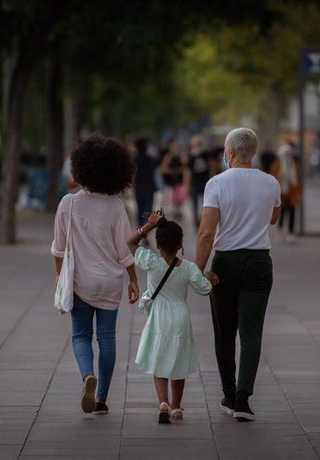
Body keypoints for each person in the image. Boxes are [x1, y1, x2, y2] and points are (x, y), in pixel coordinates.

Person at [195, 127, 281, 422]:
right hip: (259, 262)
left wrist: (198, 269)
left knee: (225, 332)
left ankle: (229, 394)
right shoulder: (271, 183)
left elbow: (207, 233)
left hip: (226, 263)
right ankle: (244, 399)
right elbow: (273, 217)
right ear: (253, 152)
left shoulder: (216, 183)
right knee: (251, 331)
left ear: (230, 152)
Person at [51, 134, 140, 415]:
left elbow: (58, 249)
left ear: (81, 168)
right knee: (108, 339)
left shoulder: (69, 204)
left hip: (79, 281)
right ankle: (101, 398)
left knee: (80, 336)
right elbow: (125, 250)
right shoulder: (115, 207)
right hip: (110, 282)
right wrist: (134, 280)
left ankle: (88, 375)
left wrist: (59, 277)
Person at [127, 211, 212, 423]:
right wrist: (208, 277)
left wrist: (148, 227)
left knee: (160, 359)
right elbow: (205, 290)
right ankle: (176, 407)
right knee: (178, 360)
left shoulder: (151, 261)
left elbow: (130, 243)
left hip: (159, 316)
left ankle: (163, 402)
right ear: (180, 244)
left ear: (158, 244)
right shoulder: (189, 268)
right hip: (180, 316)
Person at [276, 141, 301, 242]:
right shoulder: (277, 164)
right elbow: (273, 178)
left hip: (291, 193)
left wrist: (299, 193)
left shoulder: (294, 165)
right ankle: (280, 231)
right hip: (282, 193)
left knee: (292, 212)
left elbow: (297, 180)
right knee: (282, 213)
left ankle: (291, 232)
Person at [133, 137, 157, 227]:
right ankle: (147, 226)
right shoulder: (150, 159)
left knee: (140, 208)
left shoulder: (135, 159)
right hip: (149, 186)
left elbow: (133, 174)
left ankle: (140, 227)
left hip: (139, 186)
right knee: (148, 208)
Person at [187, 134, 210, 226]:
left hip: (205, 181)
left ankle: (202, 218)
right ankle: (196, 220)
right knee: (194, 203)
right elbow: (187, 170)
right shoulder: (190, 155)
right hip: (194, 182)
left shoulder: (206, 153)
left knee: (205, 202)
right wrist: (187, 184)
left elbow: (211, 165)